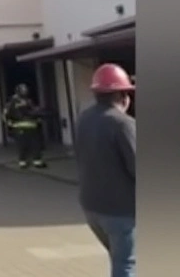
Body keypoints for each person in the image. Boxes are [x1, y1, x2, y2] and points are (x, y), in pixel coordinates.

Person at [72, 64, 136, 277]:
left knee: (120, 258)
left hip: (92, 208)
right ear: (123, 95)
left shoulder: (84, 119)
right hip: (121, 211)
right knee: (126, 263)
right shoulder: (122, 123)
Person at [3, 83, 47, 168]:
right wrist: (10, 124)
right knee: (23, 146)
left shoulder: (28, 101)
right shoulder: (12, 102)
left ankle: (36, 162)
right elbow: (5, 115)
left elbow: (35, 112)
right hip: (20, 128)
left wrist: (38, 117)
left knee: (35, 145)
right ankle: (23, 163)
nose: (25, 92)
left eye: (25, 90)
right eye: (23, 90)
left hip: (30, 127)